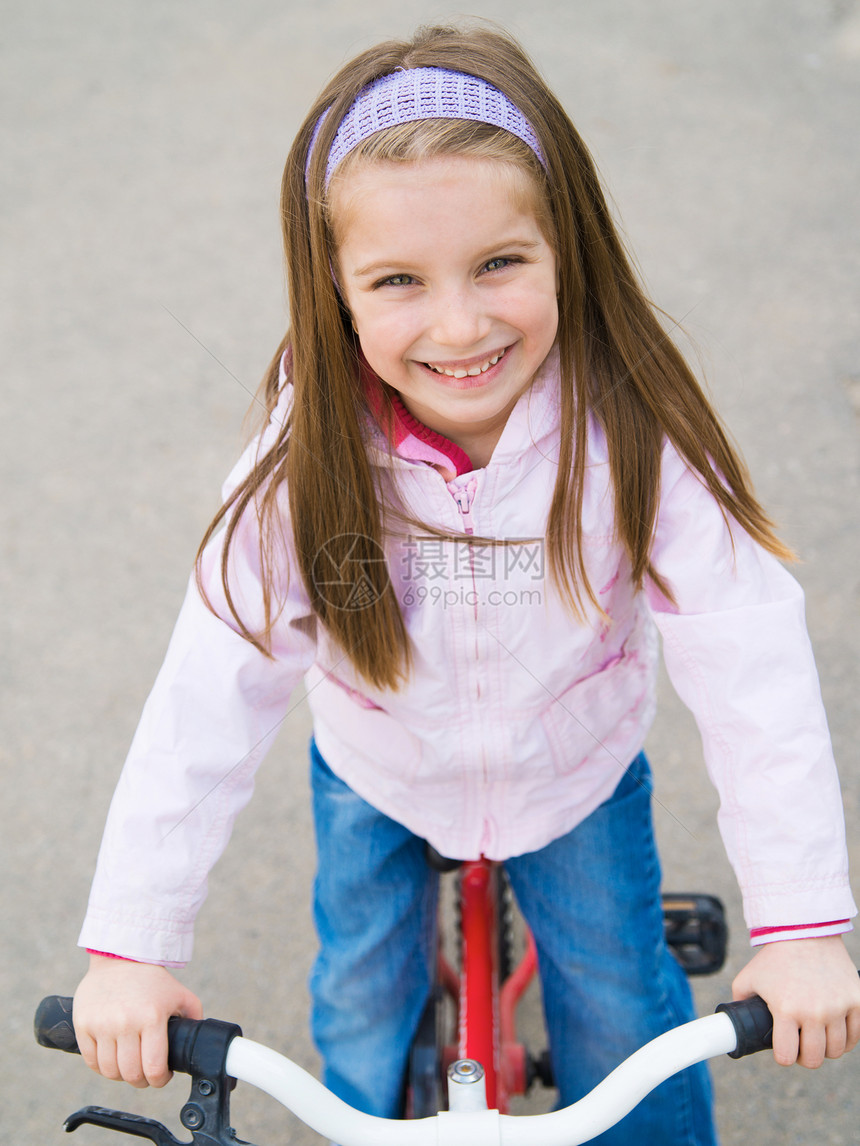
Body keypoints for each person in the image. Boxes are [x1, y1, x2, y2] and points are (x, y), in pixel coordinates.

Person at [72, 22, 860, 1144]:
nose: (459, 325)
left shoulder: (631, 430)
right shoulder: (313, 462)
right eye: (397, 280)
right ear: (334, 288)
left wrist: (798, 929)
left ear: (565, 248)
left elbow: (751, 665)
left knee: (624, 1012)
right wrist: (133, 950)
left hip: (569, 771)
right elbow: (210, 687)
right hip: (378, 764)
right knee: (356, 1012)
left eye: (498, 263)